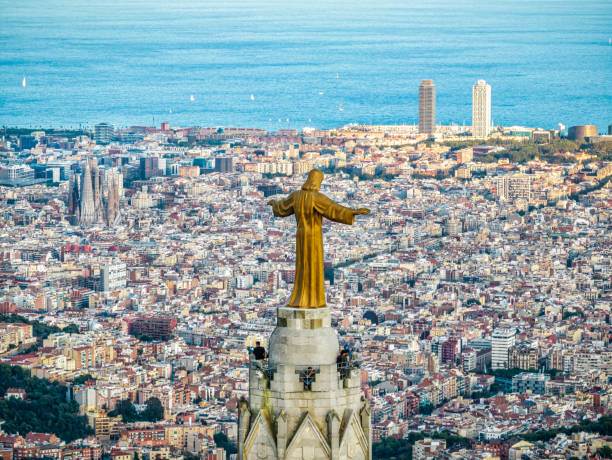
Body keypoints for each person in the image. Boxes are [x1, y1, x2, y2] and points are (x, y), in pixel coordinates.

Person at [267, 169, 370, 308]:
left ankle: (299, 298)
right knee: (314, 265)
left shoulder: (296, 195)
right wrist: (354, 212)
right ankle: (313, 300)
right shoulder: (317, 197)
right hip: (314, 236)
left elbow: (282, 208)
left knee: (302, 265)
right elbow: (334, 210)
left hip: (301, 234)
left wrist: (274, 204)